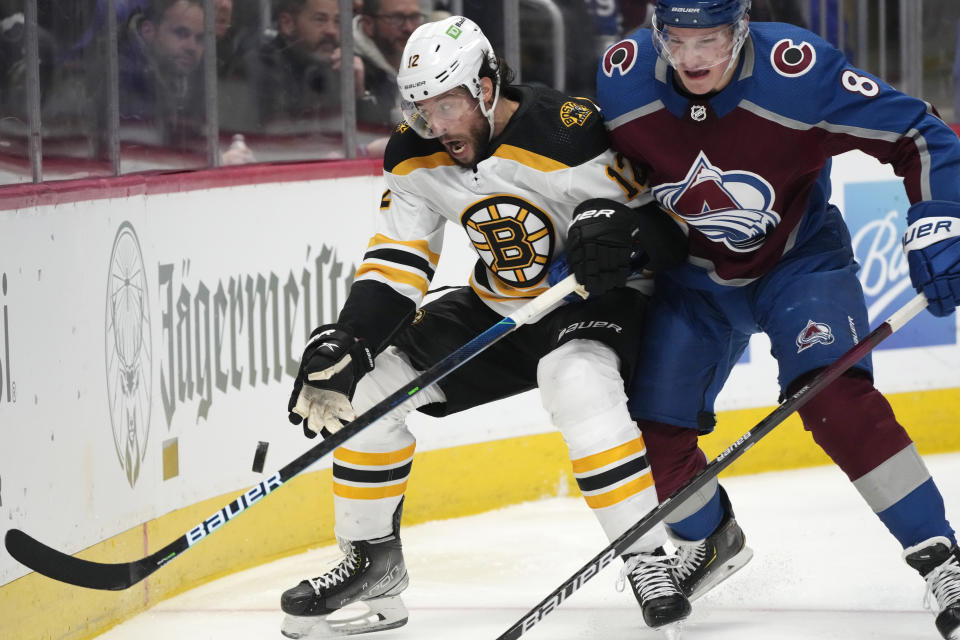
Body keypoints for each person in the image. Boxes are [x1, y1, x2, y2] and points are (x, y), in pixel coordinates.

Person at [280, 14, 692, 639]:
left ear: (487, 85)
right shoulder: (412, 154)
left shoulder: (570, 132)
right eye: (423, 109)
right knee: (365, 391)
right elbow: (398, 259)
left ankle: (645, 559)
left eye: (448, 105)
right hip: (499, 305)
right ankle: (373, 566)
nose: (437, 126)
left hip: (588, 302)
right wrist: (352, 340)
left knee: (574, 380)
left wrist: (625, 235)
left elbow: (668, 224)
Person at [573, 1, 960, 638]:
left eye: (713, 39)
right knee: (648, 435)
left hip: (798, 263)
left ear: (742, 28)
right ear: (655, 32)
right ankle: (710, 538)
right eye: (677, 39)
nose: (693, 58)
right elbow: (605, 180)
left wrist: (938, 215)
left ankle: (941, 557)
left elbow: (920, 133)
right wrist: (601, 223)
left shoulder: (798, 72)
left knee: (834, 399)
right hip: (691, 281)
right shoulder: (622, 78)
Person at [253, 0, 365, 129]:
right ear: (287, 24)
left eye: (337, 21)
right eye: (320, 20)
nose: (331, 31)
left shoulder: (341, 65)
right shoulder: (259, 67)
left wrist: (358, 92)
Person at [118, 0, 207, 149]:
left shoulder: (184, 77)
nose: (192, 47)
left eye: (200, 38)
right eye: (181, 33)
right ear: (148, 31)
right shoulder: (124, 77)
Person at [353, 0, 425, 127]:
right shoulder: (349, 66)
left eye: (414, 17)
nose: (408, 28)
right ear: (368, 24)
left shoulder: (428, 57)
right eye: (396, 18)